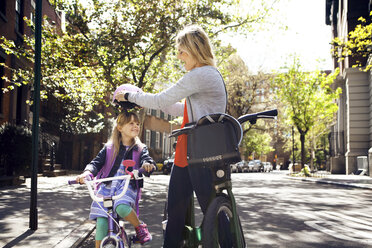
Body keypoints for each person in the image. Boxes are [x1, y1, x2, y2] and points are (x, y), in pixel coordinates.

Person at [115, 24, 227, 247]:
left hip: (201, 155)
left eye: (182, 51)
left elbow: (159, 100)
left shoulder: (201, 74)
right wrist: (139, 96)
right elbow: (177, 108)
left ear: (195, 50)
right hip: (187, 154)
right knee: (175, 216)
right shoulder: (204, 76)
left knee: (212, 213)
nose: (179, 57)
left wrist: (129, 95)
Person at [76, 112, 156, 248]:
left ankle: (139, 226)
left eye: (137, 124)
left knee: (122, 208)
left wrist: (147, 165)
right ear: (120, 127)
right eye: (131, 123)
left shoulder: (140, 148)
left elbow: (146, 159)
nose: (136, 126)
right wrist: (87, 174)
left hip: (127, 186)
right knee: (101, 222)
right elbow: (95, 163)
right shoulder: (109, 148)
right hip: (107, 187)